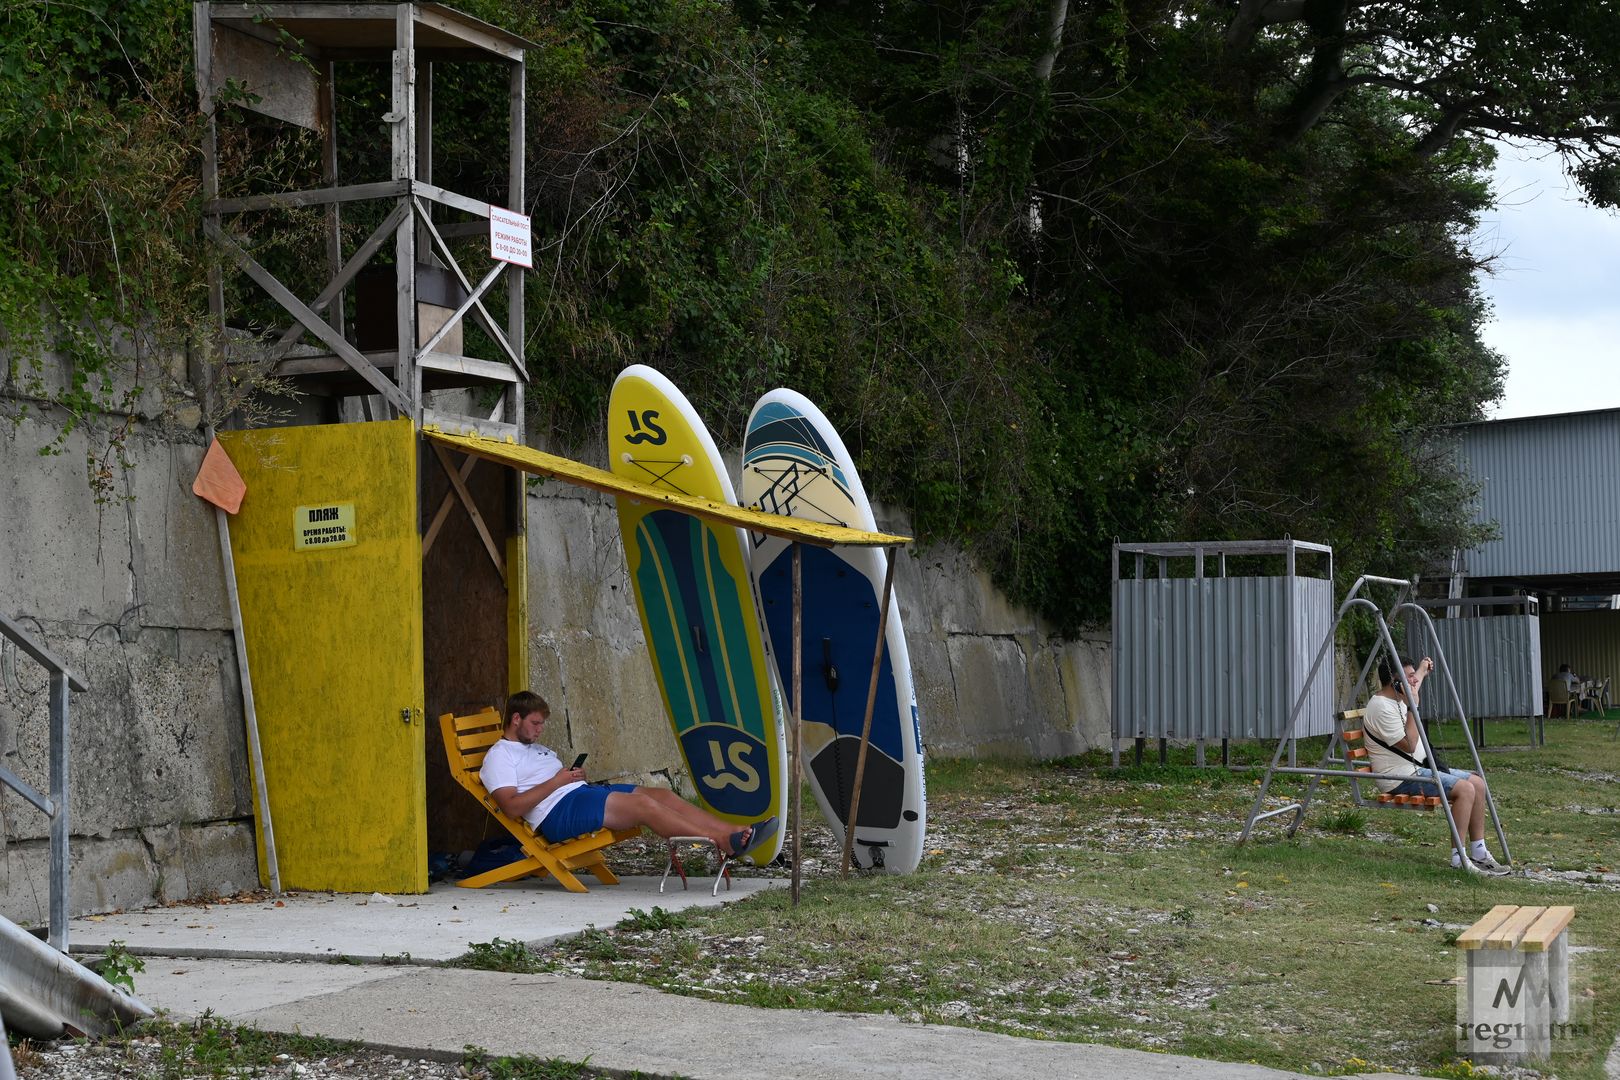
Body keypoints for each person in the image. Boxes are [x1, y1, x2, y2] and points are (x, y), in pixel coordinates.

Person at [480, 690, 776, 858]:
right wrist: (557, 781)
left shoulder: (535, 748)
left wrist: (571, 776)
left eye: (542, 724)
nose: (540, 729)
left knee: (661, 795)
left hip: (579, 794)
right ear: (516, 719)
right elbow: (511, 807)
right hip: (556, 814)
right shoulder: (499, 756)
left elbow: (552, 781)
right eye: (535, 723)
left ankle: (735, 829)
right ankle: (721, 841)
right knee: (643, 806)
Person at [1363, 656, 1506, 874]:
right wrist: (1413, 708)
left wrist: (1422, 669)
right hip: (1398, 777)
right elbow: (1410, 745)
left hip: (1418, 769)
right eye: (1410, 678)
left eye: (1414, 677)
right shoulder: (1382, 707)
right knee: (1465, 789)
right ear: (1396, 682)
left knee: (1477, 783)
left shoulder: (1399, 695)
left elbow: (1415, 682)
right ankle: (1458, 859)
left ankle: (1479, 852)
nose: (1414, 682)